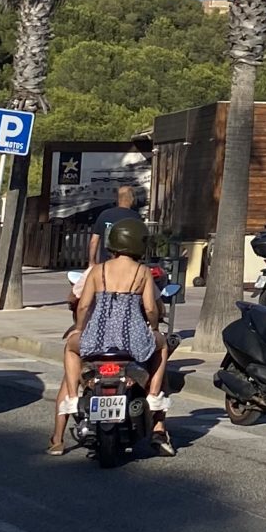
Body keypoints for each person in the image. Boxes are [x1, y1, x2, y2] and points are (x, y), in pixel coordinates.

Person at [50, 214, 172, 455]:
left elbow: (83, 305)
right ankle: (154, 396)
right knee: (162, 346)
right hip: (132, 340)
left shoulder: (97, 271)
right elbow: (150, 308)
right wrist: (154, 328)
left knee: (71, 348)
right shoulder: (142, 272)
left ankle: (73, 397)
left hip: (98, 338)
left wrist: (80, 328)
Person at [88, 181, 144, 267]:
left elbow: (94, 241)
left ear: (118, 199)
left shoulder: (105, 214)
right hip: (127, 266)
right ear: (132, 199)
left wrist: (91, 262)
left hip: (105, 265)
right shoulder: (136, 217)